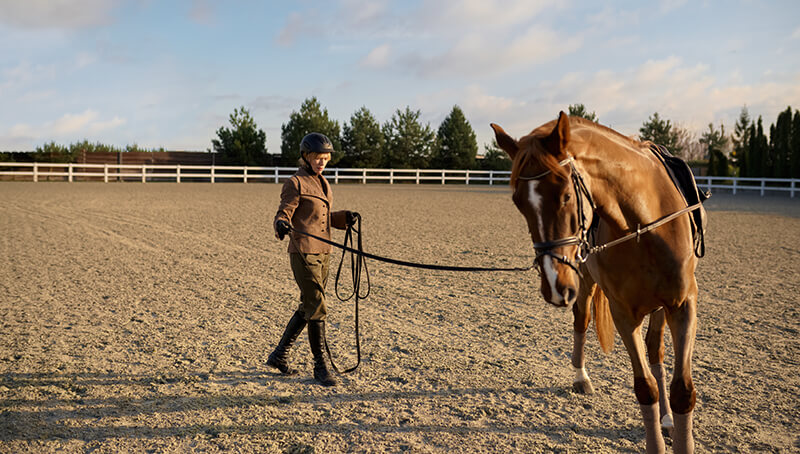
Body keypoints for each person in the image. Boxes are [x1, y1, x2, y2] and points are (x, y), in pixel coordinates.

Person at [268, 132, 358, 386]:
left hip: (324, 252)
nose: (321, 162)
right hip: (303, 251)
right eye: (317, 157)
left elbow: (323, 217)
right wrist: (282, 224)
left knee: (308, 305)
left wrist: (344, 218)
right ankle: (320, 367)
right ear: (306, 157)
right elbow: (284, 212)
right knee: (317, 305)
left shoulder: (323, 183)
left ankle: (278, 355)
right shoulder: (295, 183)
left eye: (325, 158)